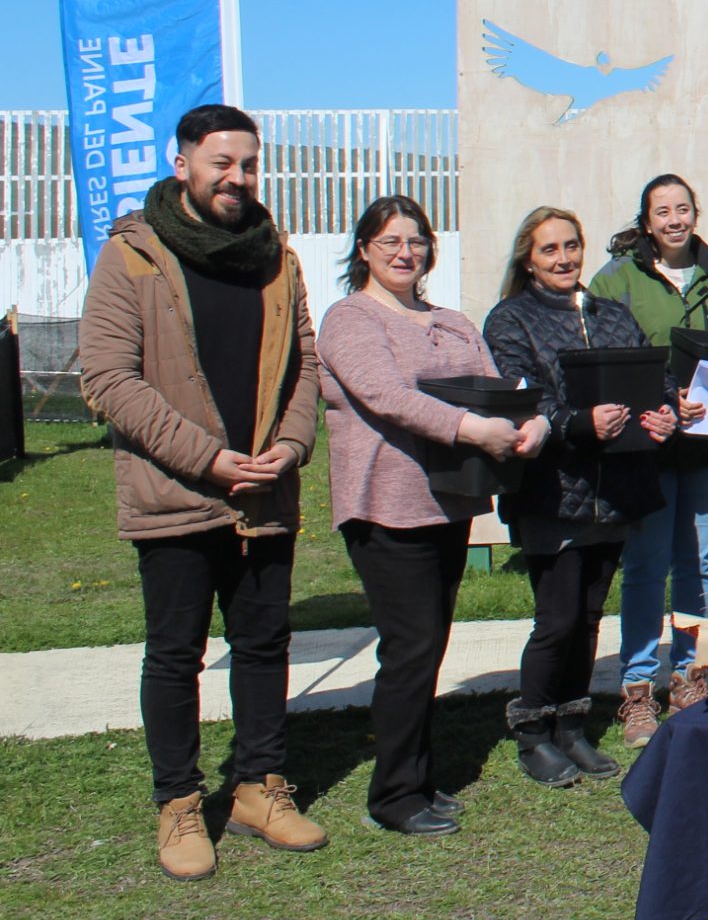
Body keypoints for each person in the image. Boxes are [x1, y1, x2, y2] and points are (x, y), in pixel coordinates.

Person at [78, 104, 327, 881]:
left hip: (263, 492)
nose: (238, 178)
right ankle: (180, 802)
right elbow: (107, 378)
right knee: (175, 652)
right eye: (222, 162)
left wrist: (289, 446)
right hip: (178, 491)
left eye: (249, 164)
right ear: (182, 160)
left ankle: (259, 787)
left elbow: (305, 365)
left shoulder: (274, 257)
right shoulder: (133, 256)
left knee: (262, 643)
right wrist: (209, 457)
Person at [318, 194, 546, 834]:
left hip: (445, 501)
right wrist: (473, 428)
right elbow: (387, 397)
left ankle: (417, 777)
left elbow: (496, 381)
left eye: (414, 240)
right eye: (388, 241)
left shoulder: (450, 320)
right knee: (411, 647)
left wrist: (530, 426)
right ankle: (393, 797)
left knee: (427, 644)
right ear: (363, 249)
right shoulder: (350, 319)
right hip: (384, 505)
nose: (403, 252)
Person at [484, 206, 675, 788]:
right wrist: (574, 422)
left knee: (590, 614)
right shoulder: (510, 320)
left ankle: (572, 726)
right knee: (557, 617)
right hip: (552, 492)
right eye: (549, 250)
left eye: (571, 246)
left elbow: (654, 377)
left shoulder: (610, 315)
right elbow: (521, 394)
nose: (564, 259)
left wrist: (665, 413)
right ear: (529, 258)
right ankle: (534, 732)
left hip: (614, 492)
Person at [590, 172, 708, 748]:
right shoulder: (614, 282)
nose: (674, 220)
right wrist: (662, 401)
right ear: (646, 221)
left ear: (696, 213)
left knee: (698, 563)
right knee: (646, 564)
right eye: (661, 211)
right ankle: (637, 687)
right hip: (649, 444)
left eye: (682, 208)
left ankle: (688, 672)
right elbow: (608, 365)